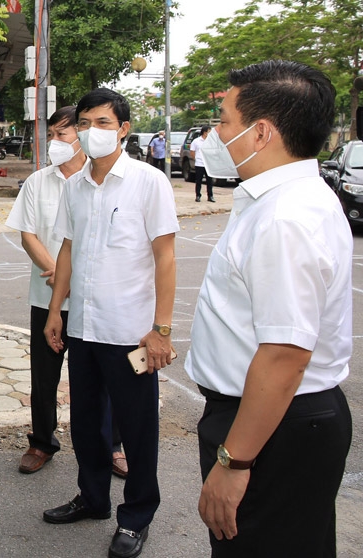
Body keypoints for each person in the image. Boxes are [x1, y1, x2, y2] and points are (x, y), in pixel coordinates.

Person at [186, 60, 352, 558]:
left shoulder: (285, 217)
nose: (217, 133)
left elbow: (284, 355)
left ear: (260, 133)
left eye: (225, 121)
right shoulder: (278, 199)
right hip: (270, 418)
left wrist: (234, 464)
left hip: (272, 427)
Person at [42, 88, 178, 558]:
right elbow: (67, 249)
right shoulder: (75, 186)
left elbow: (165, 256)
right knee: (86, 425)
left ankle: (136, 516)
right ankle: (94, 498)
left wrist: (161, 329)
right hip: (83, 329)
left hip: (130, 332)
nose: (91, 131)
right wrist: (57, 308)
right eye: (85, 123)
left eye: (102, 123)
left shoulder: (148, 181)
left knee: (137, 430)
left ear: (123, 129)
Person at [6, 107, 130, 479]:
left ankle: (112, 445)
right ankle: (42, 441)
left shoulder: (106, 181)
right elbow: (28, 234)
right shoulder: (37, 182)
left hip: (97, 300)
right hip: (46, 298)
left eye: (62, 135)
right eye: (52, 135)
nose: (55, 142)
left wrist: (78, 277)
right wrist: (60, 274)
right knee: (44, 376)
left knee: (105, 376)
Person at [190, 126, 214, 202]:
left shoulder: (211, 141)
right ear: (205, 132)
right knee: (199, 181)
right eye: (209, 132)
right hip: (199, 164)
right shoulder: (196, 141)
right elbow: (192, 152)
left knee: (209, 181)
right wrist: (196, 159)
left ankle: (210, 196)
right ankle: (198, 196)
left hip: (208, 164)